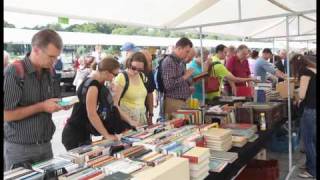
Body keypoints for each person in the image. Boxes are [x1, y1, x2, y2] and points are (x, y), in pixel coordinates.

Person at [3, 29, 70, 170]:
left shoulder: (49, 72)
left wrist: (60, 104)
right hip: (21, 149)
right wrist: (42, 107)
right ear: (36, 50)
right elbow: (7, 114)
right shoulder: (14, 71)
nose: (54, 61)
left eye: (57, 57)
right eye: (51, 56)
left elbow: (50, 100)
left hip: (46, 145)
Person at [62, 56, 136, 150]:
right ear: (106, 72)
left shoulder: (96, 81)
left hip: (81, 132)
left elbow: (112, 106)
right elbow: (92, 114)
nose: (115, 77)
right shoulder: (93, 86)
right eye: (115, 74)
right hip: (75, 134)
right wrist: (107, 135)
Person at [290, 54, 316, 179]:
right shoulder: (313, 69)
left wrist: (297, 98)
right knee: (314, 140)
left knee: (308, 141)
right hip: (314, 108)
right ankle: (311, 165)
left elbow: (302, 93)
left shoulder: (304, 71)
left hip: (310, 110)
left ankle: (312, 170)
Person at [161, 37, 194, 119]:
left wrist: (188, 85)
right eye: (187, 51)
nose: (188, 54)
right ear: (179, 48)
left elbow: (181, 79)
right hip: (174, 102)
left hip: (181, 101)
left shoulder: (180, 61)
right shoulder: (169, 61)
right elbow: (169, 85)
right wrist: (185, 76)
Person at [113, 52, 149, 125]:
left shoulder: (142, 76)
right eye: (133, 68)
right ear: (129, 63)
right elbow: (114, 104)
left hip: (141, 120)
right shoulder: (122, 77)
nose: (136, 71)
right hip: (126, 122)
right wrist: (130, 121)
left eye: (140, 69)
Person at [141, 49, 156, 125]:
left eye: (151, 60)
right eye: (148, 61)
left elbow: (150, 94)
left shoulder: (149, 72)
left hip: (144, 112)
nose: (150, 63)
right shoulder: (132, 73)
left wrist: (150, 114)